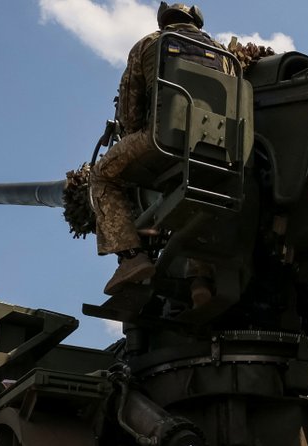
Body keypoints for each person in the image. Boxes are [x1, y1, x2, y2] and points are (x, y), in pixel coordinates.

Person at [91, 2, 231, 299]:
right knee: (202, 196)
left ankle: (131, 258)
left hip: (161, 142)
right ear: (197, 20)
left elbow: (129, 111)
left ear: (163, 20)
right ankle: (200, 278)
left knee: (103, 176)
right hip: (218, 150)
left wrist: (134, 138)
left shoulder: (150, 44)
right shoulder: (224, 54)